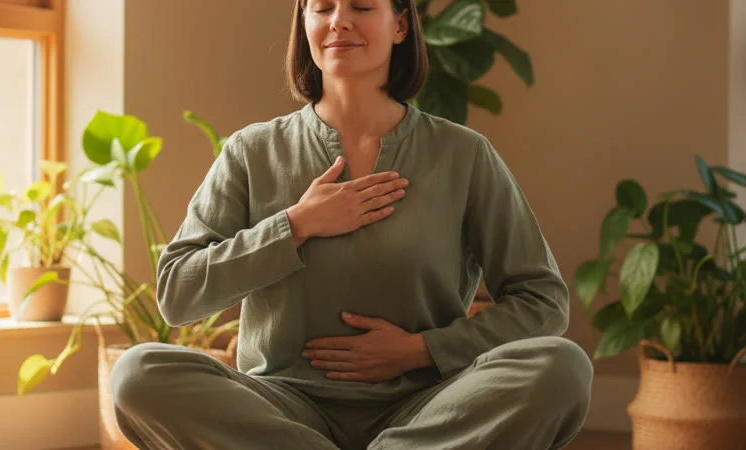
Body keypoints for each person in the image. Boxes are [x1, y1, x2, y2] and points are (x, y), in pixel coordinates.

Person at [110, 0, 594, 449]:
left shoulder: (463, 154)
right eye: (321, 7)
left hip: (429, 407)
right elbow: (177, 293)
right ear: (305, 23)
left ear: (400, 24)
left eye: (361, 5)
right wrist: (295, 225)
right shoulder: (251, 152)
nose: (339, 20)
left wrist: (422, 350)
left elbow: (543, 302)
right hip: (281, 408)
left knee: (564, 369)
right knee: (137, 375)